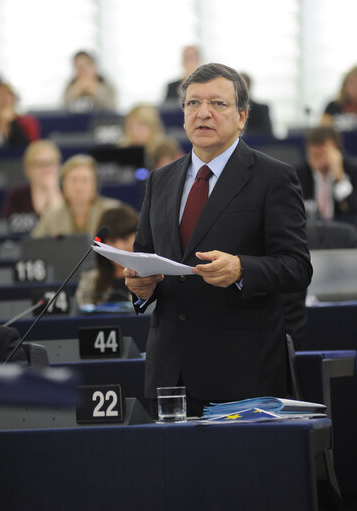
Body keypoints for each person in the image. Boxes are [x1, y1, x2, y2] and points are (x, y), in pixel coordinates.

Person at [124, 63, 312, 418]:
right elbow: (144, 258)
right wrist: (139, 288)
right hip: (169, 376)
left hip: (242, 374)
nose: (203, 113)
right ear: (182, 116)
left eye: (218, 104)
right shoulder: (160, 180)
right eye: (193, 104)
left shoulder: (274, 177)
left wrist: (242, 268)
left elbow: (297, 267)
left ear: (242, 116)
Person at [32, 154, 120, 237]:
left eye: (85, 180)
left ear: (95, 185)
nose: (79, 187)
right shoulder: (50, 216)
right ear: (63, 186)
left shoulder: (113, 211)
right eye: (74, 180)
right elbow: (36, 247)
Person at [76, 205, 138, 306]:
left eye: (125, 239)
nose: (119, 247)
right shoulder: (90, 281)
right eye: (112, 241)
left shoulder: (152, 278)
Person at [296, 126, 357, 224]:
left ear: (338, 152)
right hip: (310, 235)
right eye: (315, 156)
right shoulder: (297, 175)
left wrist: (340, 178)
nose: (320, 163)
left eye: (324, 155)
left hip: (344, 234)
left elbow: (354, 212)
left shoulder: (353, 172)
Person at [1, 140, 62, 233]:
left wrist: (52, 191)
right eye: (39, 164)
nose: (46, 169)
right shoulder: (16, 195)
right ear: (28, 169)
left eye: (50, 163)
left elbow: (65, 230)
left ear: (58, 166)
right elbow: (7, 229)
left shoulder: (69, 192)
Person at [119, 104, 177, 168]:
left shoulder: (164, 148)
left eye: (140, 124)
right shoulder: (124, 148)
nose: (134, 130)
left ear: (152, 126)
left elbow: (166, 174)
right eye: (130, 125)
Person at [0, 82, 40, 148]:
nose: (3, 100)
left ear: (13, 99)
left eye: (6, 95)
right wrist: (1, 123)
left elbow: (30, 150)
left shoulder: (28, 123)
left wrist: (11, 123)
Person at [321, 65, 357, 131]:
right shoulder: (333, 107)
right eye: (352, 83)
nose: (355, 88)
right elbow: (323, 132)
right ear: (345, 85)